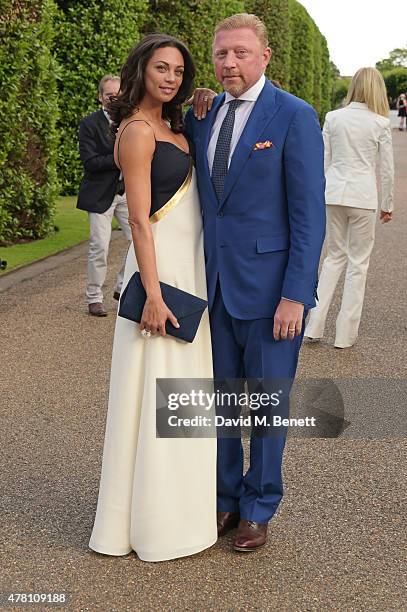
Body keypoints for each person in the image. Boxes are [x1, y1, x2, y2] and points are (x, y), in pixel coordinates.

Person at [185, 13, 326, 552]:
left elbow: (308, 216)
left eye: (241, 52)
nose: (229, 62)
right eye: (222, 53)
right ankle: (224, 497)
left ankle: (259, 505)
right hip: (213, 288)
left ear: (265, 56)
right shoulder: (204, 113)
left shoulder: (294, 116)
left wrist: (296, 294)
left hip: (272, 295)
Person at [88, 34, 217, 562]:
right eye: (161, 68)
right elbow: (139, 220)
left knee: (186, 392)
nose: (171, 78)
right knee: (155, 393)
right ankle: (152, 526)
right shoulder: (138, 132)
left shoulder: (179, 125)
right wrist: (155, 295)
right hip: (161, 277)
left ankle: (184, 511)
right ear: (140, 70)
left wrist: (206, 96)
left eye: (179, 71)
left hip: (194, 267)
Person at [305, 67, 394, 348]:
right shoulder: (380, 123)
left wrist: (320, 194)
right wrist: (387, 204)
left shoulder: (333, 117)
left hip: (333, 193)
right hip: (363, 197)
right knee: (358, 264)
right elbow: (387, 170)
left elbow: (323, 160)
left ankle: (314, 326)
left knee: (333, 258)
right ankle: (344, 336)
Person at [77, 75, 132, 317]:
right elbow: (90, 162)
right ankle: (94, 297)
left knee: (139, 241)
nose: (115, 99)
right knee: (99, 246)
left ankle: (121, 287)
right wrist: (121, 158)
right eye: (110, 95)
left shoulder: (132, 120)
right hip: (100, 194)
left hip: (127, 192)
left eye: (119, 95)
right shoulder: (89, 124)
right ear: (101, 97)